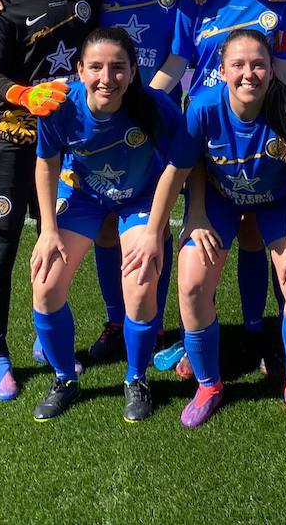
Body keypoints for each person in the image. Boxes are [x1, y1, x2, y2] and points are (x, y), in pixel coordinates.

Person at [151, 28, 286, 430]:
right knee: (191, 280)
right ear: (222, 71)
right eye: (239, 65)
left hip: (278, 202)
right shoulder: (203, 108)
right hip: (220, 201)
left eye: (259, 64)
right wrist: (177, 223)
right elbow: (179, 170)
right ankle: (209, 385)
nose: (250, 73)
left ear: (270, 69)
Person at [0, 0, 102, 401]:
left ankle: (46, 339)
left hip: (64, 147)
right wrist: (26, 95)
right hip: (9, 143)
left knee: (54, 245)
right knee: (3, 246)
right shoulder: (5, 3)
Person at [28, 28, 183, 422]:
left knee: (141, 286)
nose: (106, 78)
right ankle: (64, 377)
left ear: (133, 72)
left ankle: (136, 378)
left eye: (117, 68)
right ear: (80, 70)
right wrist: (47, 231)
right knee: (45, 285)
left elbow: (178, 168)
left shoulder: (156, 107)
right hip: (82, 195)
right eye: (95, 67)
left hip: (139, 199)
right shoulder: (59, 105)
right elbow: (46, 163)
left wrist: (154, 231)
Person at [180, 0, 286, 375]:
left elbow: (283, 64)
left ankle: (255, 329)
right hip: (211, 131)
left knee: (254, 234)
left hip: (263, 127)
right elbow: (177, 59)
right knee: (203, 238)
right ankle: (195, 341)